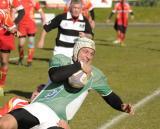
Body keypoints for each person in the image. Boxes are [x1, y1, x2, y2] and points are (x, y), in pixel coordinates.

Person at [0, 37, 134, 129]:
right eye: (85, 51)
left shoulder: (95, 74)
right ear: (77, 50)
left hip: (59, 120)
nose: (88, 56)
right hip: (39, 107)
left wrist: (121, 106)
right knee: (4, 124)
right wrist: (79, 65)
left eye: (91, 54)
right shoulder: (61, 60)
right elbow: (55, 76)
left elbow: (109, 95)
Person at [0, 0, 25, 96]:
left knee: (4, 61)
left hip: (6, 33)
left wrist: (14, 26)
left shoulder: (11, 1)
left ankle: (1, 86)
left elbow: (22, 12)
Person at [16, 0, 45, 66]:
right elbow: (13, 10)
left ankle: (30, 60)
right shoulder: (19, 1)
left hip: (31, 25)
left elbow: (40, 11)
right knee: (21, 44)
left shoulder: (33, 1)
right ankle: (21, 57)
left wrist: (44, 20)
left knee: (31, 42)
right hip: (21, 25)